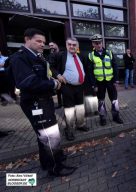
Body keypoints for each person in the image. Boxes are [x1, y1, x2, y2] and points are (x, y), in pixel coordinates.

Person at [8, 28, 76, 176]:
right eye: (38, 41)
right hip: (35, 103)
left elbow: (44, 75)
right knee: (49, 135)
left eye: (43, 42)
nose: (42, 45)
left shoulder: (37, 57)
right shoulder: (20, 58)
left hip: (44, 101)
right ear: (27, 39)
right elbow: (28, 82)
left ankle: (50, 161)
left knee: (46, 134)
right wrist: (53, 84)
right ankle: (55, 167)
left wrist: (52, 79)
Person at [50, 37, 89, 141]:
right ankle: (69, 130)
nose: (72, 46)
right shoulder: (60, 55)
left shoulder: (80, 56)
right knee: (69, 110)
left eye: (74, 45)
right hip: (68, 87)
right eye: (69, 44)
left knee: (80, 107)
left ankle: (80, 124)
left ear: (77, 46)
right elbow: (50, 66)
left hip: (80, 87)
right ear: (66, 45)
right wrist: (58, 75)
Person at [88, 34, 123, 126]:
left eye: (99, 43)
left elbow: (115, 67)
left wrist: (116, 80)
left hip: (110, 81)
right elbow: (90, 72)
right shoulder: (91, 56)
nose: (98, 45)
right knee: (101, 101)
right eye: (96, 43)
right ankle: (103, 118)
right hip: (99, 83)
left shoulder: (109, 53)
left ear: (102, 43)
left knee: (114, 100)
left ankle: (116, 117)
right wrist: (93, 85)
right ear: (93, 44)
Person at [48, 41, 63, 108]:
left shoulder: (62, 52)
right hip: (56, 75)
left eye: (52, 45)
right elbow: (51, 66)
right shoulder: (51, 55)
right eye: (50, 46)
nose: (51, 47)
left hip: (64, 75)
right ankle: (60, 104)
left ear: (56, 45)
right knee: (58, 91)